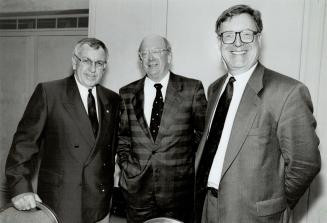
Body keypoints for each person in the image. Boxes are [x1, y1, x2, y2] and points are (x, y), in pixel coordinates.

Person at [195, 4, 321, 223]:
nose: (237, 43)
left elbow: (305, 163)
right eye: (228, 35)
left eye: (246, 34)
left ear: (259, 39)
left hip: (255, 216)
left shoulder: (287, 92)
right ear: (219, 42)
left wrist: (275, 204)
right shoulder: (215, 89)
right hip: (208, 208)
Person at [5, 38, 120, 223]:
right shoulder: (50, 93)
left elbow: (110, 150)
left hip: (100, 205)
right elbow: (23, 145)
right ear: (74, 62)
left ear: (105, 67)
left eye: (99, 63)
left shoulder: (112, 100)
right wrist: (21, 188)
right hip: (61, 202)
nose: (92, 69)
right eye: (86, 61)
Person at [117, 34, 207, 223]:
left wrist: (187, 166)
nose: (150, 57)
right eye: (145, 53)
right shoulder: (126, 93)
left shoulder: (192, 89)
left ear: (169, 56)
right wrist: (127, 166)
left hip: (179, 191)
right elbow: (122, 137)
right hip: (137, 191)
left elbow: (204, 135)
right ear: (140, 59)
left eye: (157, 51)